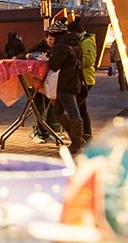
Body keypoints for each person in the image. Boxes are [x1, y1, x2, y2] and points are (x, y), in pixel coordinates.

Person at [44, 20, 87, 155]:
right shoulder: (75, 43)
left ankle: (76, 144)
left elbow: (54, 65)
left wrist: (51, 53)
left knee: (73, 112)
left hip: (64, 82)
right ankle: (77, 139)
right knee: (58, 112)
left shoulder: (60, 46)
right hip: (74, 80)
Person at [69, 20, 96, 142]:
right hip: (81, 78)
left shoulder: (87, 42)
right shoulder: (81, 41)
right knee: (82, 108)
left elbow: (88, 60)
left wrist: (73, 63)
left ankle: (83, 134)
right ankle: (86, 133)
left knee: (77, 108)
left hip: (86, 79)